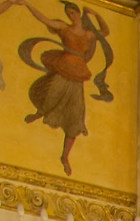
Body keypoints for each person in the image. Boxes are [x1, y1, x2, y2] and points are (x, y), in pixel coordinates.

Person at [14, 2, 115, 176]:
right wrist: (28, 4)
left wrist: (95, 13)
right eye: (68, 14)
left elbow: (105, 31)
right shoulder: (64, 28)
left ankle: (65, 156)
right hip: (64, 67)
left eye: (72, 13)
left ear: (78, 13)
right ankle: (39, 113)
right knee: (50, 92)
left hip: (78, 73)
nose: (70, 16)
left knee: (75, 115)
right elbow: (44, 19)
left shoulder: (88, 34)